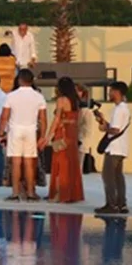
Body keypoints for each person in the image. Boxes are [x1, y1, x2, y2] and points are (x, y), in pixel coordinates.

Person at [0, 68, 47, 202]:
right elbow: (43, 119)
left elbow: (4, 117)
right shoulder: (39, 96)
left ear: (19, 80)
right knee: (29, 163)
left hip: (15, 130)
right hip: (31, 130)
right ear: (32, 81)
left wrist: (1, 133)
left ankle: (15, 193)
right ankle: (31, 193)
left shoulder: (11, 96)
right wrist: (43, 136)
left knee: (16, 163)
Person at [44, 76, 84, 204]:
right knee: (71, 163)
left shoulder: (61, 100)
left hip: (63, 133)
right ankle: (72, 193)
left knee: (60, 164)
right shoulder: (75, 101)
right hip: (72, 134)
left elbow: (57, 119)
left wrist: (48, 136)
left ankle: (60, 193)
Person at [94, 81, 131, 215]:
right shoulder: (123, 108)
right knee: (118, 177)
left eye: (110, 91)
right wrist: (103, 121)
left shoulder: (119, 109)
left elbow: (115, 130)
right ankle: (121, 204)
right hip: (121, 147)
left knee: (108, 176)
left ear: (116, 92)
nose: (109, 93)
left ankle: (111, 204)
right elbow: (116, 127)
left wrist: (105, 128)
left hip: (114, 148)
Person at [77, 84, 96, 175]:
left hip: (81, 140)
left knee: (78, 166)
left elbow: (78, 124)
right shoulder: (83, 109)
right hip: (81, 139)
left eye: (78, 91)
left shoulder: (84, 110)